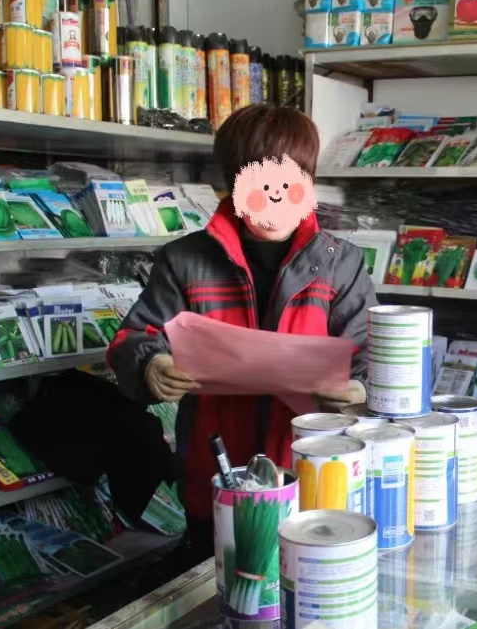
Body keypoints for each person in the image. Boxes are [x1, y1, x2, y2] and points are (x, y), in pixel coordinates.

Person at [108, 105, 377, 557]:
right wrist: (151, 363)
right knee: (218, 589)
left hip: (313, 477)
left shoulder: (340, 263)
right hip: (216, 476)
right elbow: (134, 336)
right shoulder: (185, 260)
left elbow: (374, 355)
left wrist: (359, 390)